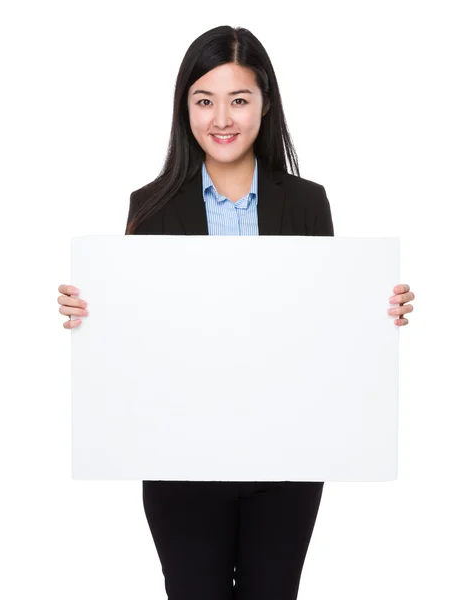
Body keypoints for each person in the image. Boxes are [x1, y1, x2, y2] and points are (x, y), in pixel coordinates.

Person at [57, 25, 415, 600]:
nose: (221, 118)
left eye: (239, 100)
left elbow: (323, 324)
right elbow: (137, 336)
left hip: (287, 459)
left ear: (265, 104)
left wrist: (376, 312)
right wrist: (90, 313)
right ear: (185, 109)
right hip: (179, 458)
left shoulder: (306, 202)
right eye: (204, 101)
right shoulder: (149, 207)